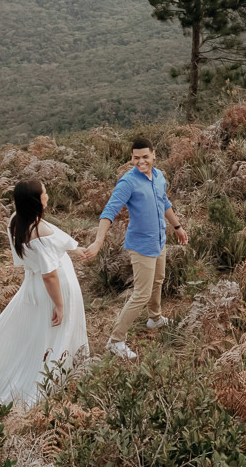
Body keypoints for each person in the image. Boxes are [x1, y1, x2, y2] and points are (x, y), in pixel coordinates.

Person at [0, 180, 88, 408]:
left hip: (32, 288)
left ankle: (41, 372)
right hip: (53, 289)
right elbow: (49, 275)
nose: (47, 196)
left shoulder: (16, 221)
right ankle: (55, 380)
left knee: (38, 334)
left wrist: (73, 249)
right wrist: (59, 305)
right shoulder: (39, 231)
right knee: (58, 333)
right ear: (36, 200)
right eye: (44, 193)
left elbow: (48, 248)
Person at [84, 138, 188, 359]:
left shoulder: (159, 176)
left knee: (158, 280)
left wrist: (177, 227)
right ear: (132, 158)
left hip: (159, 240)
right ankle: (116, 340)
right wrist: (98, 241)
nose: (141, 161)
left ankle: (155, 318)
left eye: (145, 157)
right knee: (141, 293)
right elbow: (109, 211)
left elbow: (164, 202)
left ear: (153, 155)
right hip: (141, 245)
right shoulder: (128, 182)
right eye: (136, 158)